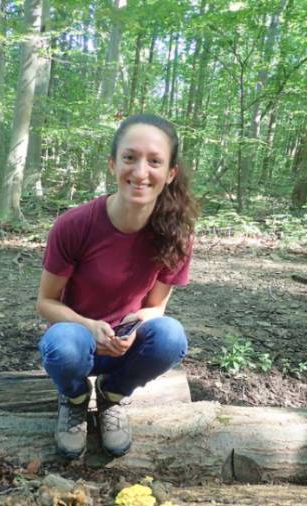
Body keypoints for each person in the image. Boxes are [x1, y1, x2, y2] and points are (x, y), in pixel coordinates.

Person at [37, 113, 198, 460]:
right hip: (76, 344)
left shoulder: (176, 235)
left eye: (154, 161)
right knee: (62, 344)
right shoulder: (74, 225)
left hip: (126, 347)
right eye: (130, 158)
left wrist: (131, 329)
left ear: (170, 173)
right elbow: (46, 303)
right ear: (113, 164)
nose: (140, 172)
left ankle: (112, 395)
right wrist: (90, 327)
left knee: (171, 336)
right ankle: (75, 399)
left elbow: (156, 309)